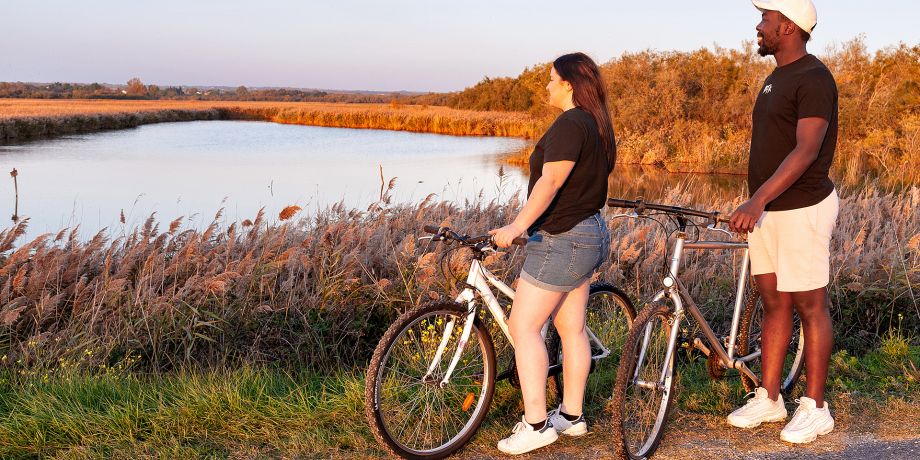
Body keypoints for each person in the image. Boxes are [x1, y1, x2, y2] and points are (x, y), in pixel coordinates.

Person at [489, 52, 615, 455]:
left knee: (523, 327)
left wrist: (516, 226)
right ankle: (572, 417)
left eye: (550, 79)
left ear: (568, 85)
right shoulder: (596, 124)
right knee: (571, 328)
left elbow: (551, 181)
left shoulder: (569, 123)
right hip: (590, 232)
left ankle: (537, 424)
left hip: (562, 238)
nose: (545, 85)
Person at [728, 0, 839, 445]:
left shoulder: (814, 78)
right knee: (773, 301)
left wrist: (757, 200)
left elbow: (807, 149)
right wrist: (757, 202)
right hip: (771, 210)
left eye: (766, 19)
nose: (759, 26)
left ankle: (815, 407)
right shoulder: (775, 78)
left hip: (803, 208)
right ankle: (770, 397)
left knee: (810, 305)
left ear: (788, 26)